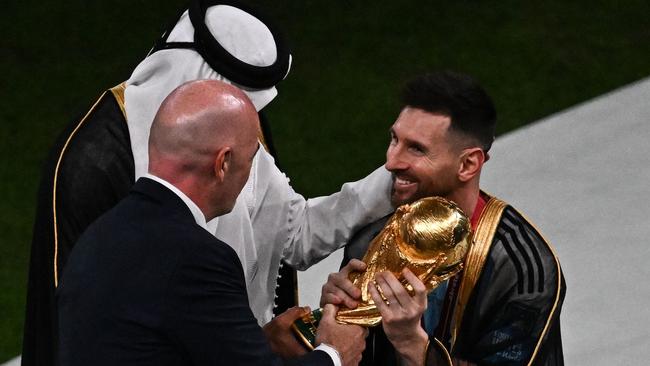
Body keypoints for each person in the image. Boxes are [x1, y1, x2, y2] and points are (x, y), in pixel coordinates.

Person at [23, 2, 392, 365]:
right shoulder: (96, 163)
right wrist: (333, 356)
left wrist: (396, 176)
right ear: (222, 161)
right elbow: (80, 329)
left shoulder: (231, 131)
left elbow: (294, 232)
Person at [57, 79, 367, 366]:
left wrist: (262, 343)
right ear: (223, 164)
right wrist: (335, 354)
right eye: (249, 161)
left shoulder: (99, 236)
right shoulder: (195, 258)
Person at [320, 71, 565, 366]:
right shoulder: (372, 240)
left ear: (467, 164)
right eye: (394, 139)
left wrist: (412, 344)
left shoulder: (522, 269)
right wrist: (335, 318)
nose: (391, 161)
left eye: (416, 149)